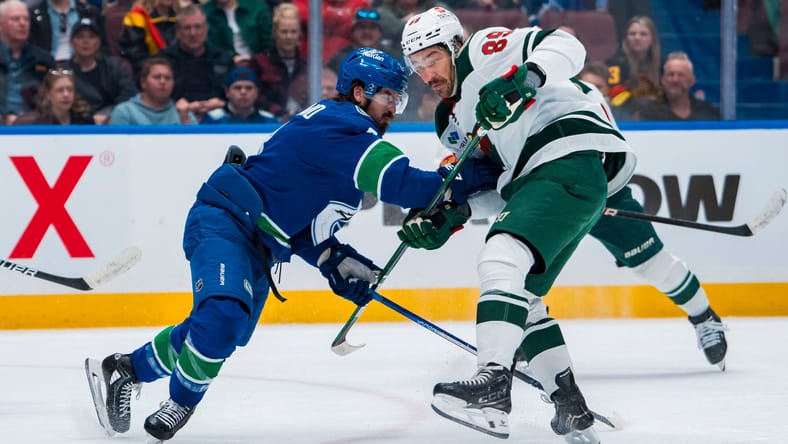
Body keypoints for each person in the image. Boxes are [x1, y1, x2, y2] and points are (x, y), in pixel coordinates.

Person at [85, 47, 498, 442]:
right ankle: (180, 403)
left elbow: (306, 230)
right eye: (388, 95)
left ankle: (127, 369)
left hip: (257, 241)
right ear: (359, 92)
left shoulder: (347, 139)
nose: (393, 107)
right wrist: (478, 175)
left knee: (216, 331)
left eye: (399, 98)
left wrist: (334, 259)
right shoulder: (343, 125)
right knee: (222, 318)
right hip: (226, 221)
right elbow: (405, 185)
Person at [399, 7, 636, 443]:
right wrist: (456, 214)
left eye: (432, 58)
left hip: (565, 156)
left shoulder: (485, 49)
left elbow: (569, 44)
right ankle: (571, 408)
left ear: (455, 46)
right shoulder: (450, 121)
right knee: (521, 298)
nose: (426, 73)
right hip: (537, 179)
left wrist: (525, 77)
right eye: (417, 66)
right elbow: (495, 186)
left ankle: (491, 385)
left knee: (501, 255)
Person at [158, 4, 233, 120]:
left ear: (206, 29)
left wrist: (223, 103)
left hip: (219, 116)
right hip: (174, 116)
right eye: (187, 28)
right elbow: (156, 96)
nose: (193, 33)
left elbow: (235, 92)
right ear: (177, 31)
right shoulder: (163, 60)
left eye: (198, 27)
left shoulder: (223, 58)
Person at [62, 17, 137, 124]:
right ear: (71, 42)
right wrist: (90, 119)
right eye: (80, 37)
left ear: (99, 42)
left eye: (91, 37)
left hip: (114, 123)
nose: (86, 41)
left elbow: (129, 94)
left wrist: (111, 116)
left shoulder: (114, 67)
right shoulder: (64, 72)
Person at [0, 0, 55, 125]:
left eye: (26, 19)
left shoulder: (43, 59)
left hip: (34, 126)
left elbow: (50, 100)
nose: (22, 23)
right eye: (15, 19)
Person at [249, 3, 306, 119]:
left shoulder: (307, 63)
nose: (289, 36)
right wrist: (280, 113)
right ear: (275, 32)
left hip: (303, 120)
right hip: (269, 121)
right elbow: (256, 97)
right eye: (284, 32)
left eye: (293, 32)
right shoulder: (259, 62)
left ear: (299, 33)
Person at [639, 51, 721, 121]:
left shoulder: (708, 113)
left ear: (692, 80)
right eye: (671, 74)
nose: (675, 80)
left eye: (681, 75)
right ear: (663, 80)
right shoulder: (649, 114)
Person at [109, 56, 194, 124]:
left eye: (168, 78)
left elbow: (196, 145)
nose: (163, 81)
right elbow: (118, 144)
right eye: (157, 77)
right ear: (143, 82)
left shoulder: (183, 112)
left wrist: (185, 119)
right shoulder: (125, 112)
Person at [605, 15, 663, 109]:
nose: (637, 38)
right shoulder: (615, 64)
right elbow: (613, 95)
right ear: (626, 38)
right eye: (632, 34)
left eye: (643, 34)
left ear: (653, 39)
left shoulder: (663, 65)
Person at [27, 0, 105, 63]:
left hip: (81, 65)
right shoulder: (34, 13)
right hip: (47, 65)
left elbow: (103, 44)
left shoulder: (88, 11)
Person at [202, 0, 272, 66]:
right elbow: (208, 46)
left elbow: (269, 43)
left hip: (258, 64)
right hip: (223, 65)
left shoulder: (257, 8)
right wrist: (231, 58)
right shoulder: (204, 13)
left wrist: (256, 60)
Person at [13, 67, 94, 124]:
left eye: (70, 89)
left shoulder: (85, 118)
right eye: (60, 90)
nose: (66, 95)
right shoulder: (37, 122)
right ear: (48, 94)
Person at [118, 0, 180, 76]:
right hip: (147, 73)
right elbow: (134, 53)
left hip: (177, 71)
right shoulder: (137, 17)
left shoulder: (181, 16)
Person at [200, 66, 279, 124]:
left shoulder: (269, 120)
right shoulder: (212, 119)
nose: (243, 92)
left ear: (257, 92)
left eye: (249, 88)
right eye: (237, 88)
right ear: (227, 92)